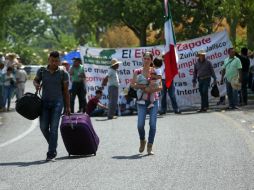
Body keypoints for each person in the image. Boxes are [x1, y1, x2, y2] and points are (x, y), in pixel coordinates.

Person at [33, 51, 70, 161]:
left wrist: (68, 107)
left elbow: (66, 91)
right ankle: (53, 143)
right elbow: (35, 81)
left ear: (59, 60)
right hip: (44, 103)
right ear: (49, 60)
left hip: (57, 103)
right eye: (52, 61)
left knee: (53, 128)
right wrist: (36, 85)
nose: (55, 63)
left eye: (57, 61)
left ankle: (51, 153)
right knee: (43, 127)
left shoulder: (64, 73)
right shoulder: (42, 71)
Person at [130, 52, 162, 155]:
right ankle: (142, 140)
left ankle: (150, 146)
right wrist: (144, 87)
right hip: (141, 100)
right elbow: (133, 85)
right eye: (145, 58)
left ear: (151, 60)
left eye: (148, 58)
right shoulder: (137, 71)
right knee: (140, 125)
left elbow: (161, 86)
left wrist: (151, 90)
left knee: (152, 124)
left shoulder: (155, 71)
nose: (146, 60)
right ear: (142, 59)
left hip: (154, 100)